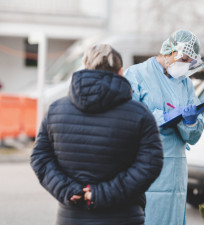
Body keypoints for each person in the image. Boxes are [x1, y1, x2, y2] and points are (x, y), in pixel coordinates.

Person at [31, 44, 163, 225]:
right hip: (123, 216)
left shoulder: (56, 110)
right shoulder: (140, 114)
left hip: (72, 217)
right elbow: (151, 163)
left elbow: (40, 158)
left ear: (85, 67)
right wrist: (102, 193)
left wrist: (67, 189)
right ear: (120, 71)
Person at [125, 29, 204, 225]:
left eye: (190, 63)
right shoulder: (136, 74)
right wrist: (163, 117)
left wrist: (191, 121)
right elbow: (128, 117)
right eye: (184, 59)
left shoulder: (185, 83)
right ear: (170, 50)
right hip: (146, 163)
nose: (186, 66)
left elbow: (194, 136)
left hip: (175, 171)